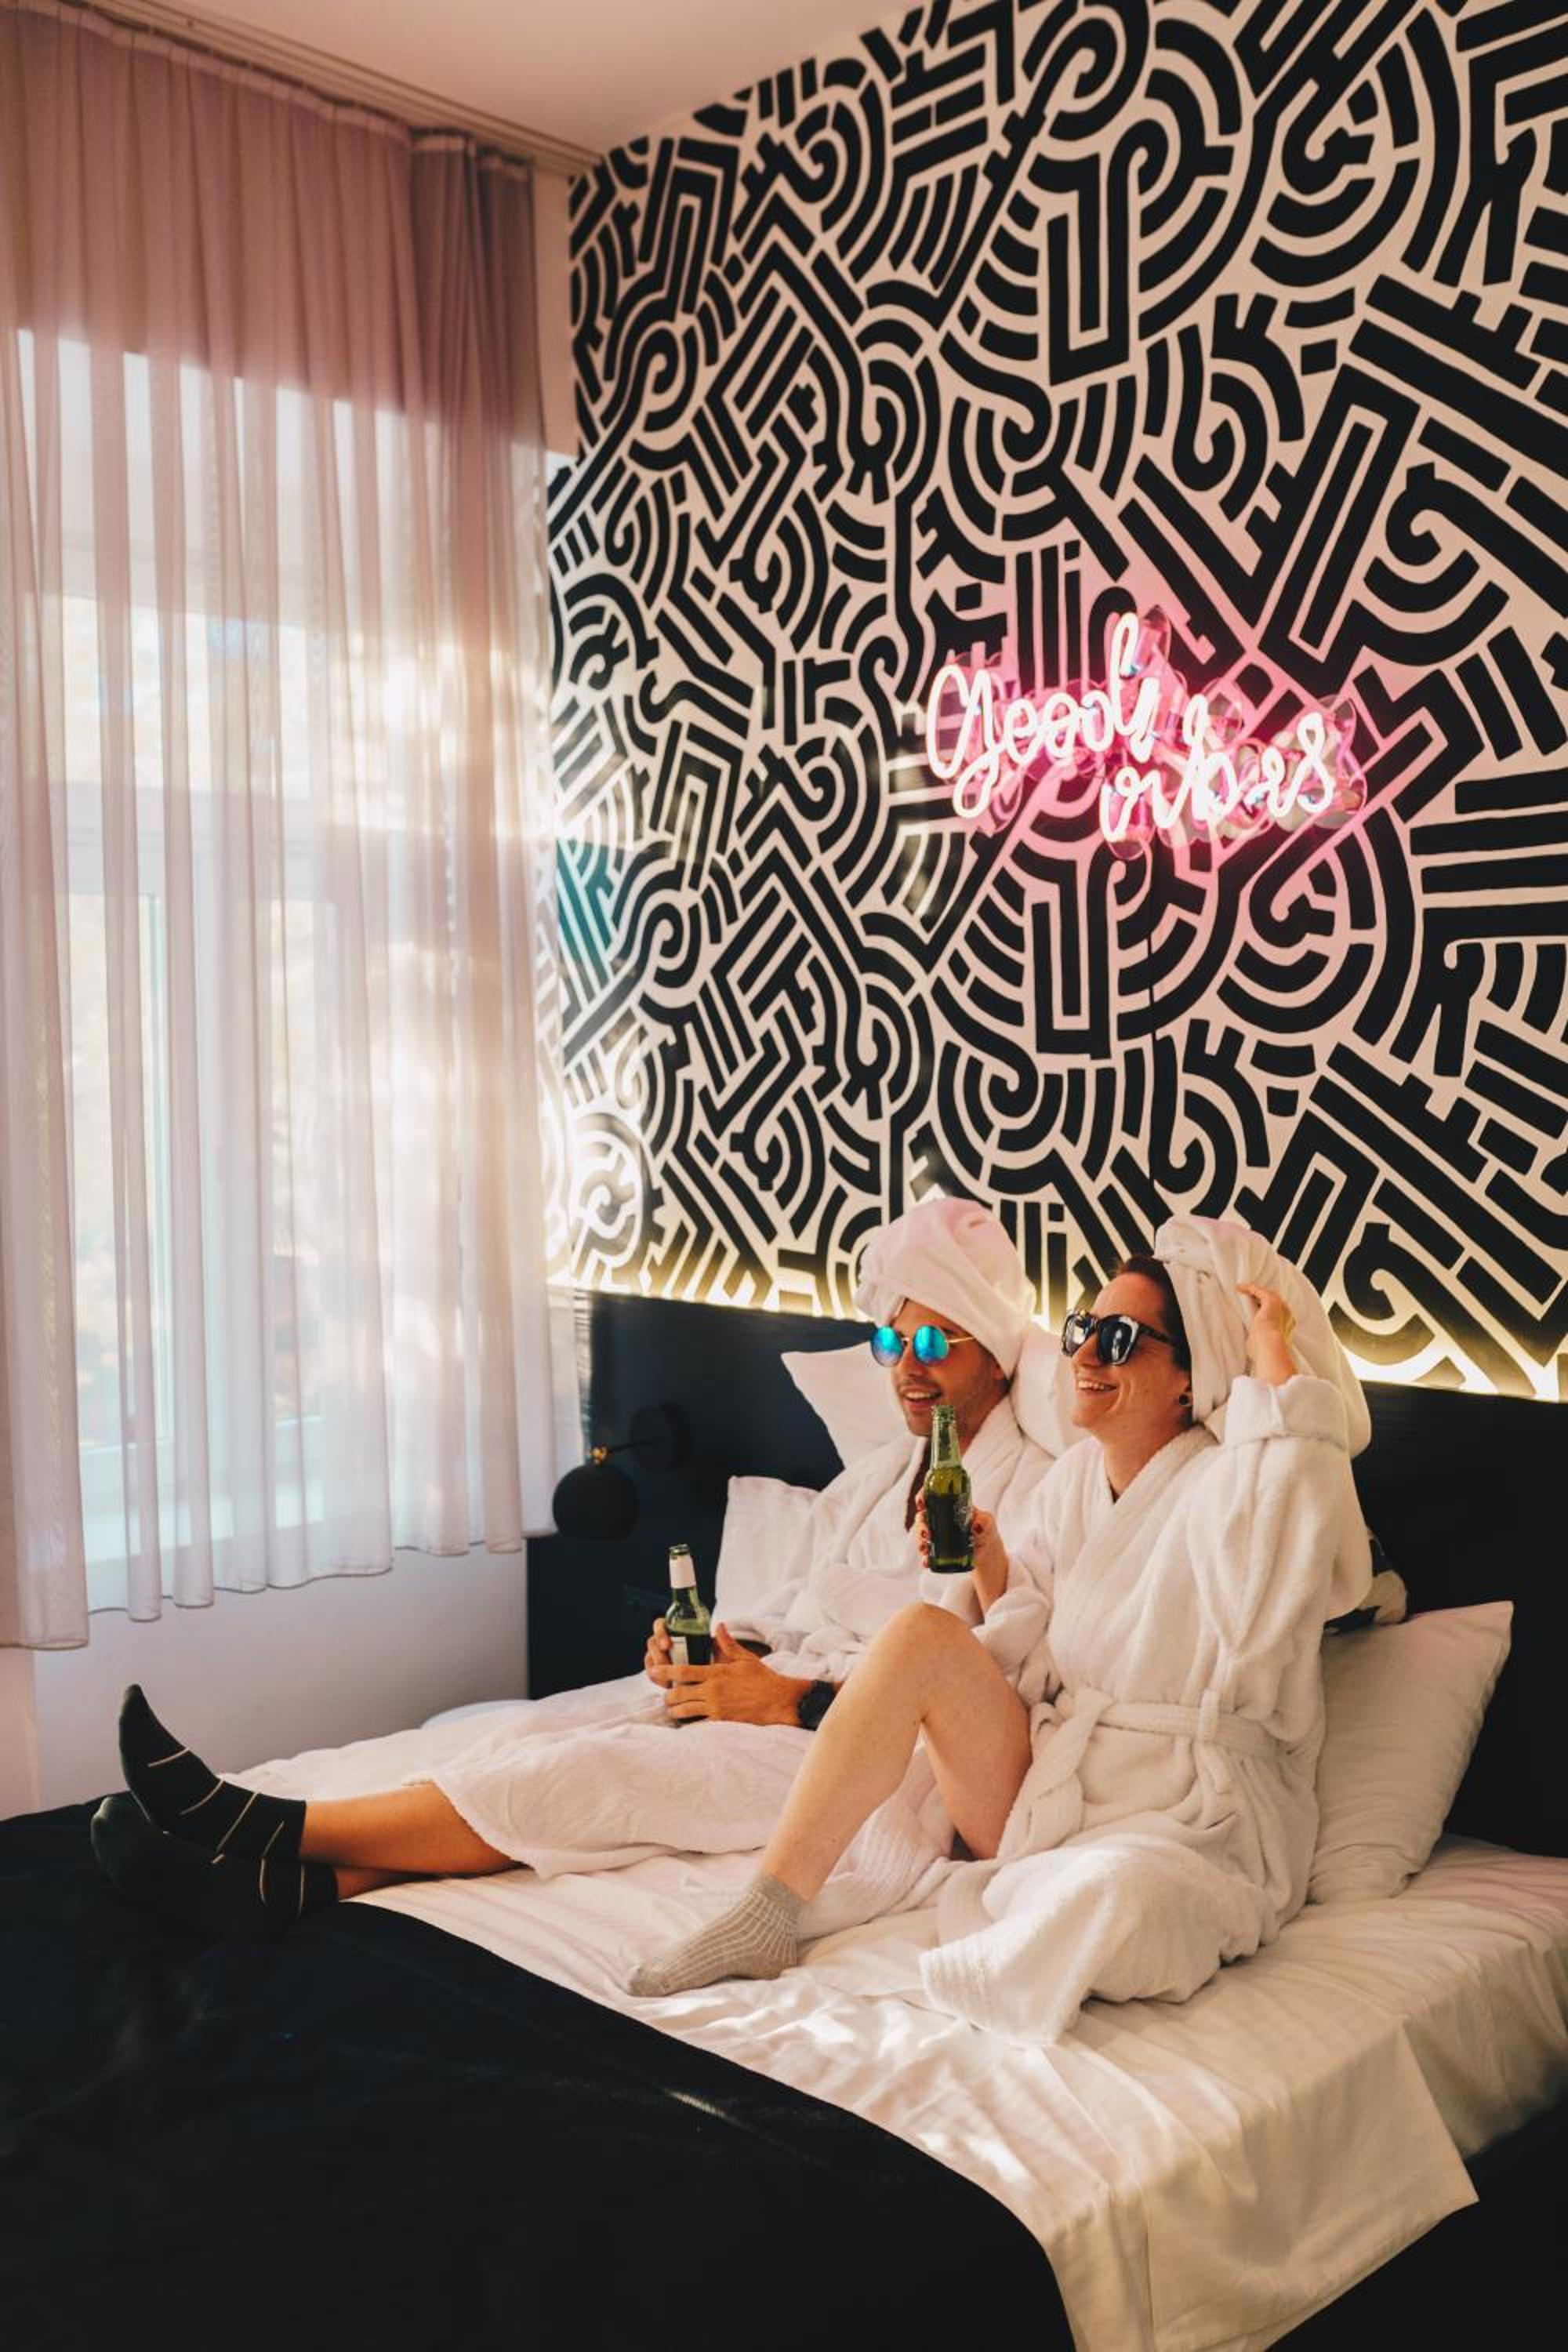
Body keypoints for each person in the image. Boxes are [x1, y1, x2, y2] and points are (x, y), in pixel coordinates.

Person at [90, 1198, 1067, 1940]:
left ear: (993, 1353)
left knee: (600, 1774)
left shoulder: (1030, 1493)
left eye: (931, 1342)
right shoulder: (874, 1477)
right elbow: (791, 1610)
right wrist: (712, 1653)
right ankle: (280, 1885)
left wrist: (786, 1700)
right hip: (771, 1698)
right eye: (891, 1339)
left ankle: (267, 1824)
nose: (904, 1367)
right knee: (532, 1735)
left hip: (865, 1766)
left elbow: (992, 1691)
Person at [624, 1216, 1377, 2045]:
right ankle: (766, 1911)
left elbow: (1282, 1551)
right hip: (1053, 1783)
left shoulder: (1237, 1482)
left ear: (1189, 1376)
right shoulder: (1075, 1481)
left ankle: (1004, 1958)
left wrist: (1271, 1354)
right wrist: (991, 1563)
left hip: (1188, 1811)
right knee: (919, 1632)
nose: (1085, 1356)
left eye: (1119, 1340)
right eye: (1082, 1331)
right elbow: (1029, 1635)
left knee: (1121, 1893)